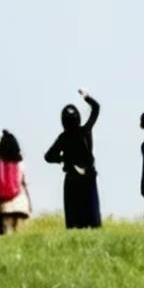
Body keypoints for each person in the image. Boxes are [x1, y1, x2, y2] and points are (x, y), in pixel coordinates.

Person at [44, 90, 102, 230]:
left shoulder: (63, 138)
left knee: (74, 216)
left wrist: (63, 159)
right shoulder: (85, 131)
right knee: (91, 212)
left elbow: (48, 156)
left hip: (72, 177)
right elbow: (96, 108)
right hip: (88, 176)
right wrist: (86, 96)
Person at [0, 130, 32, 235]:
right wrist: (29, 203)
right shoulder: (20, 164)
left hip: (4, 205)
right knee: (19, 236)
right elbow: (25, 183)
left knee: (7, 235)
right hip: (20, 202)